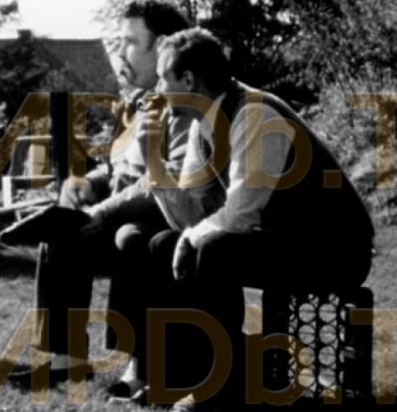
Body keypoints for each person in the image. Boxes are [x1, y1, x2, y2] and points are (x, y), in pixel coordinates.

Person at [145, 28, 375, 411]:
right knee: (161, 245)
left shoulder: (254, 115)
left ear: (188, 81)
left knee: (216, 249)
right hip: (285, 242)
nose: (157, 89)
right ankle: (190, 377)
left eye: (161, 78)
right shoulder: (203, 126)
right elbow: (190, 219)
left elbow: (239, 215)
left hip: (336, 250)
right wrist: (155, 165)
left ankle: (225, 389)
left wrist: (191, 237)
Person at [30, 0, 195, 395]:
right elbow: (119, 167)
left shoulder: (183, 104)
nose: (119, 52)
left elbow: (166, 179)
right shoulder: (135, 105)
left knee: (132, 237)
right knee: (60, 231)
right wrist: (87, 183)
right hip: (120, 212)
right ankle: (66, 359)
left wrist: (102, 212)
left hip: (167, 219)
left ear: (163, 47)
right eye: (120, 42)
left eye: (130, 42)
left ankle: (141, 365)